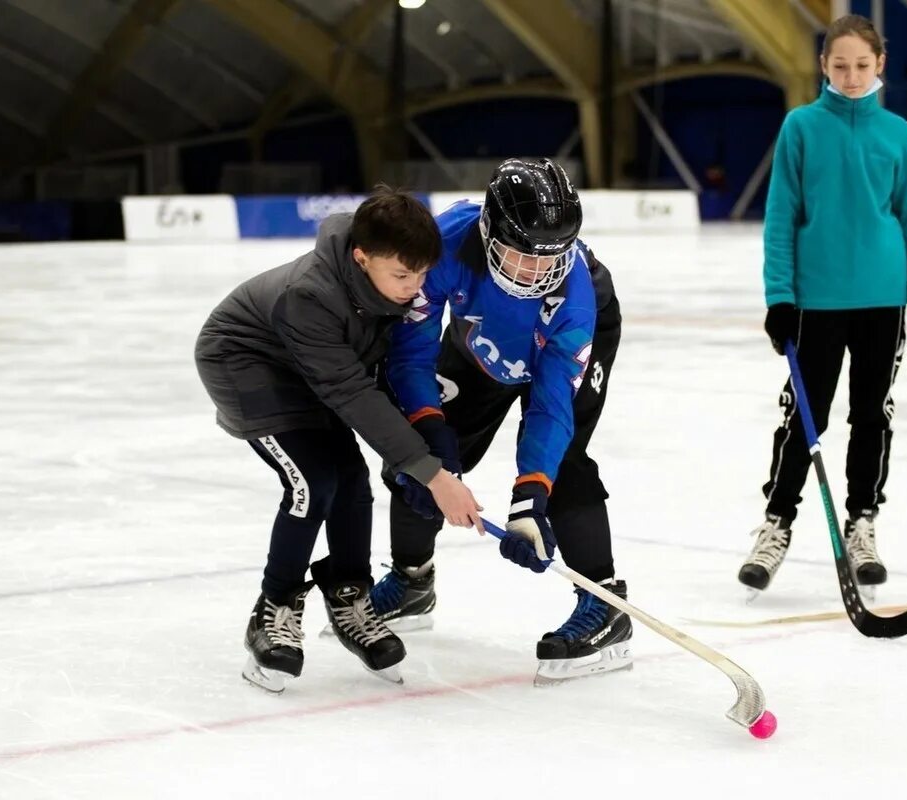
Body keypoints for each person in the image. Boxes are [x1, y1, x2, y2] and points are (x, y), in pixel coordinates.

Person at [194, 188, 484, 692]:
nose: (415, 288)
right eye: (402, 276)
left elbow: (383, 374)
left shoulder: (391, 283)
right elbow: (350, 392)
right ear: (361, 257)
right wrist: (431, 473)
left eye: (421, 275)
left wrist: (424, 458)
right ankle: (275, 607)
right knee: (313, 479)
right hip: (247, 364)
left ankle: (351, 595)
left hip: (316, 371)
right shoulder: (311, 295)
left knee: (352, 482)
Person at [372, 157, 632, 684]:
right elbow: (410, 355)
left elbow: (552, 406)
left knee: (566, 461)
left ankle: (605, 605)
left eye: (552, 257)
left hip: (564, 338)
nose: (538, 273)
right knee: (414, 459)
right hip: (481, 340)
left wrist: (530, 495)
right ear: (489, 233)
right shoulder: (444, 243)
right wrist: (429, 441)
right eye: (522, 256)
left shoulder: (576, 297)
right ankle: (413, 579)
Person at [738, 14, 907, 593]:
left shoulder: (897, 133)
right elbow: (781, 219)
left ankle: (862, 522)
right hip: (816, 305)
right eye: (841, 65)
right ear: (824, 66)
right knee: (804, 417)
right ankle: (776, 523)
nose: (852, 76)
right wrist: (780, 297)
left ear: (880, 67)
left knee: (871, 416)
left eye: (863, 65)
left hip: (882, 301)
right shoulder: (801, 127)